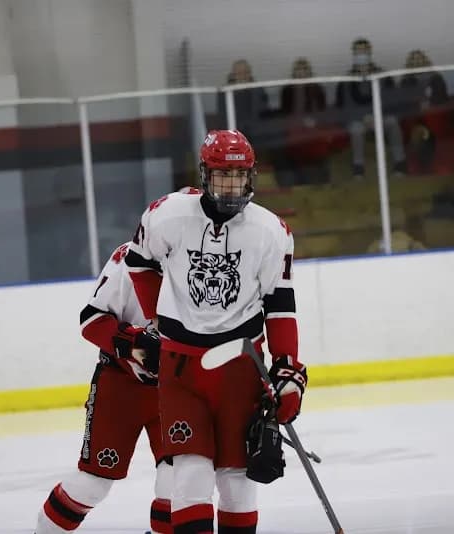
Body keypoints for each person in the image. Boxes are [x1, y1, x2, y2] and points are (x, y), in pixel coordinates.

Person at [125, 130, 308, 533]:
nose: (231, 184)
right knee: (189, 477)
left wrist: (287, 369)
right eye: (222, 175)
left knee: (238, 485)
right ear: (205, 175)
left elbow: (279, 306)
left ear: (252, 176)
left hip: (241, 368)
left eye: (239, 174)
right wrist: (157, 323)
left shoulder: (271, 231)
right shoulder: (167, 214)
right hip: (181, 369)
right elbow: (139, 264)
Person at [35, 242, 172, 534]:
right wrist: (132, 342)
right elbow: (92, 320)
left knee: (180, 480)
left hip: (177, 390)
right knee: (92, 484)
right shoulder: (130, 256)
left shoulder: (209, 257)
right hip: (120, 388)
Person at [334, 37, 407, 179]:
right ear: (353, 54)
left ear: (370, 52)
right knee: (356, 128)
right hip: (357, 119)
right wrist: (363, 118)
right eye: (358, 51)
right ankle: (358, 169)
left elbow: (391, 100)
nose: (361, 54)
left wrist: (376, 116)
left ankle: (400, 163)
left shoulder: (382, 75)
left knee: (392, 121)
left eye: (364, 51)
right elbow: (344, 107)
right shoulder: (347, 79)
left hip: (380, 116)